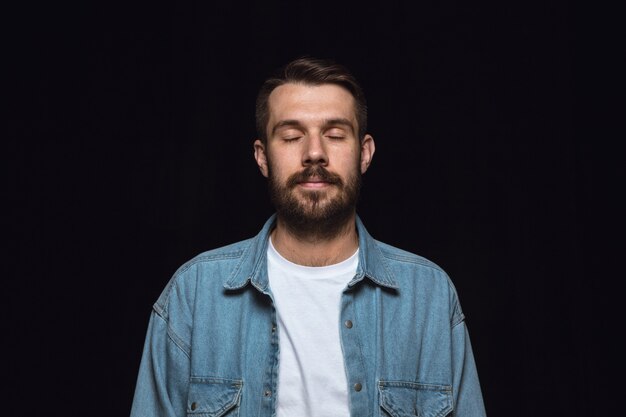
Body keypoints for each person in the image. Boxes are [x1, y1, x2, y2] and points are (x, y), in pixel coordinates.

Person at [130, 57, 487, 417]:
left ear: (364, 153)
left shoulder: (429, 297)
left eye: (334, 134)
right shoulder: (193, 294)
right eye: (291, 136)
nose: (314, 152)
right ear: (262, 157)